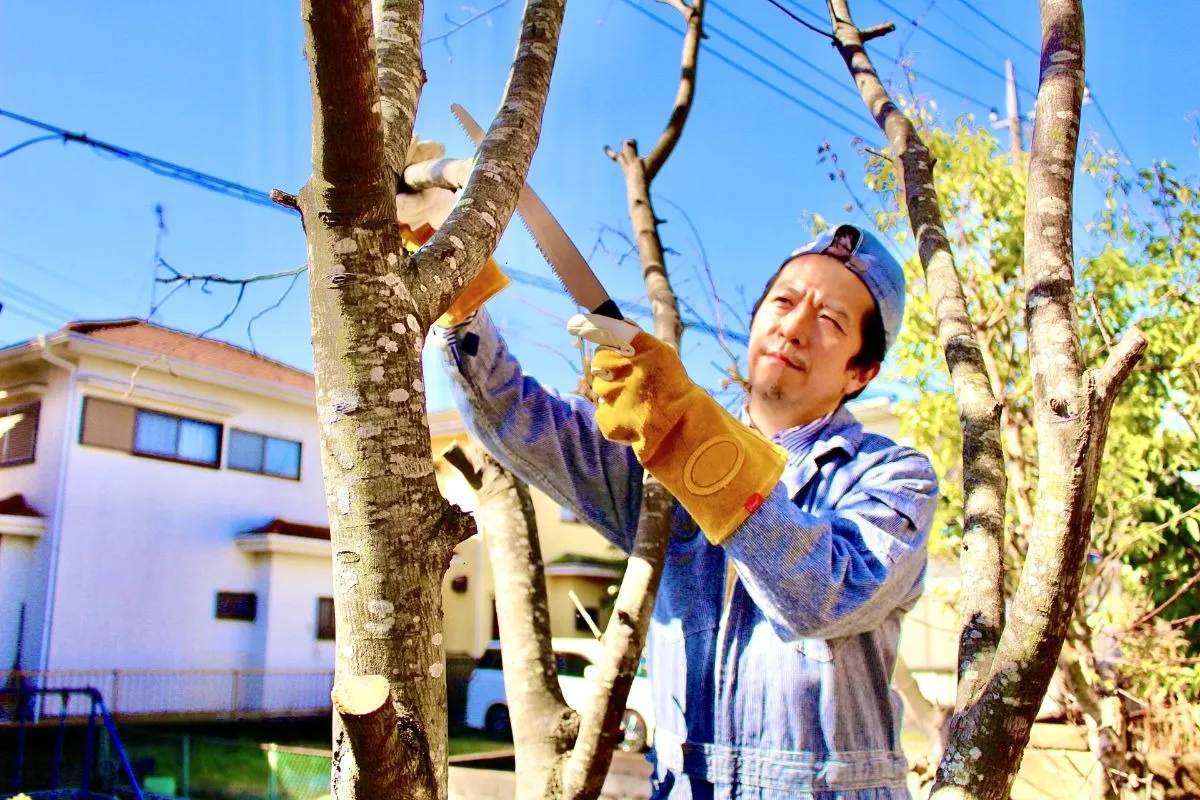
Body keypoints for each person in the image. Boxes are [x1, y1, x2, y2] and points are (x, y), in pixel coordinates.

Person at [401, 181, 939, 798]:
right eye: (784, 301)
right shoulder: (659, 462)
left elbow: (821, 597)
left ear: (861, 372)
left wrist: (685, 432)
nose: (794, 327)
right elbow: (512, 418)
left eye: (830, 321)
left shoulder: (895, 477)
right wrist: (454, 273)